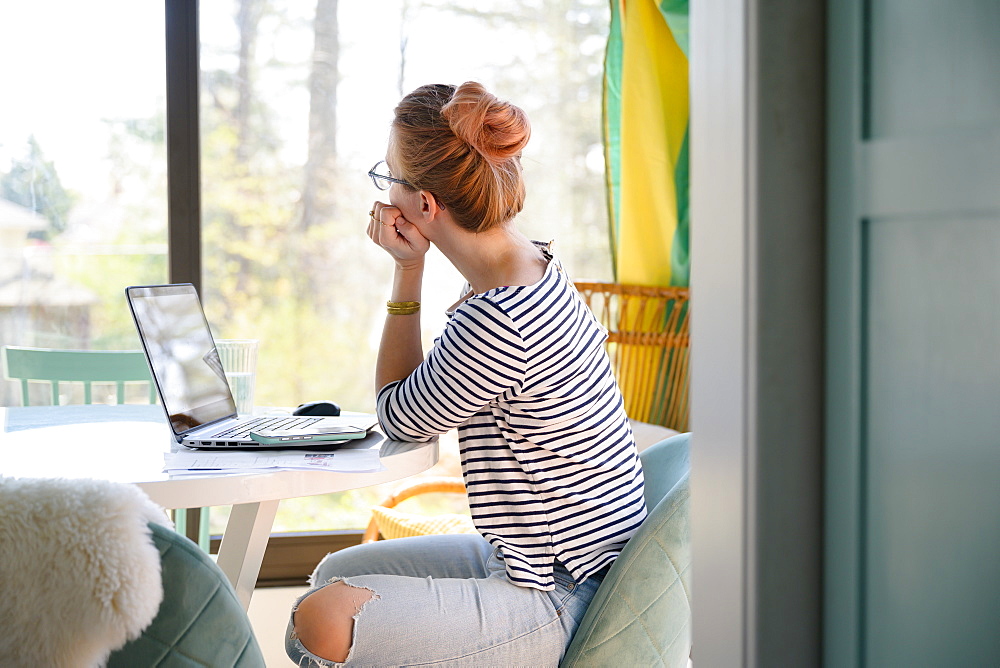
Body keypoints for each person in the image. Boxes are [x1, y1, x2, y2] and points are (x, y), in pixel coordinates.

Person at [286, 82, 646, 667]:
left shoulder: (502, 318)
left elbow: (400, 419)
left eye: (389, 179)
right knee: (336, 574)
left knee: (322, 619)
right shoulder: (532, 263)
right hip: (532, 558)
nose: (384, 195)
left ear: (425, 205)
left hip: (557, 593)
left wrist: (407, 273)